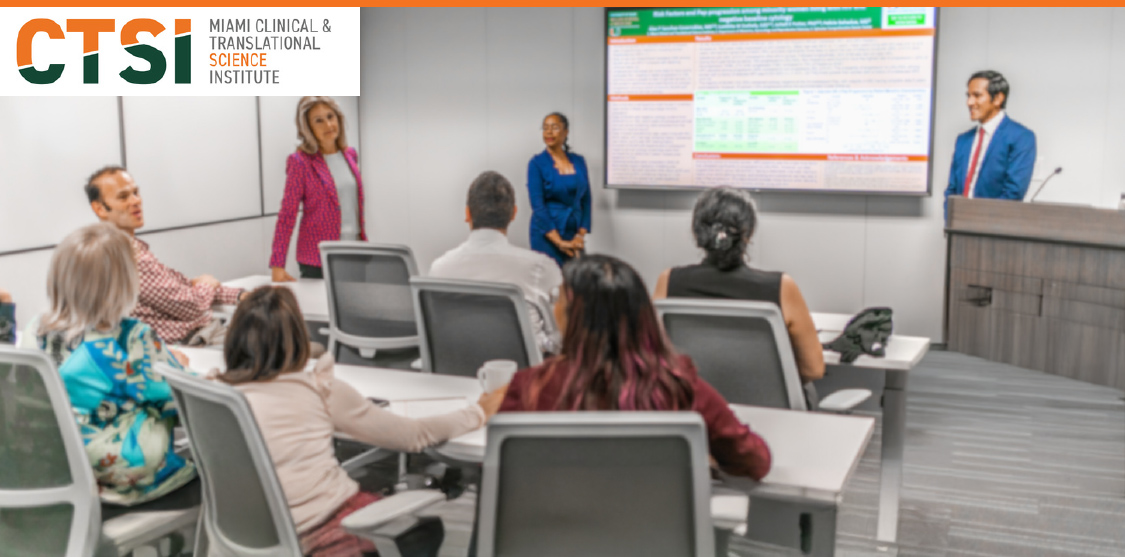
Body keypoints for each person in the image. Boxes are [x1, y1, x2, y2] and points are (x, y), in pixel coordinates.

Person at [218, 286, 504, 556]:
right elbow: (415, 435)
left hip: (244, 538)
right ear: (298, 337)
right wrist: (479, 412)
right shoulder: (320, 389)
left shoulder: (215, 394)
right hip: (319, 537)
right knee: (426, 530)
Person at [499, 254, 771, 481]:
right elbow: (756, 461)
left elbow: (498, 472)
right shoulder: (679, 386)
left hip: (552, 540)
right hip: (658, 542)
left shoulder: (530, 388)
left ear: (571, 316)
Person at [19, 223, 198, 509]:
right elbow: (185, 400)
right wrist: (176, 367)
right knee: (163, 402)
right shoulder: (131, 338)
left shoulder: (34, 330)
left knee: (130, 395)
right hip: (113, 466)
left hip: (49, 461)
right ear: (123, 282)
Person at [654, 187, 825, 383]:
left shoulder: (669, 282)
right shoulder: (781, 287)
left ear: (697, 234)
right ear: (748, 234)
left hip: (696, 405)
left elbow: (650, 354)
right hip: (767, 409)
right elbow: (813, 369)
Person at [86, 165, 245, 346]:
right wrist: (207, 284)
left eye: (136, 192)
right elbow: (193, 306)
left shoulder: (121, 249)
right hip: (190, 343)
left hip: (193, 336)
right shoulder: (127, 259)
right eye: (123, 197)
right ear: (100, 209)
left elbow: (181, 285)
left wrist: (239, 295)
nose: (135, 201)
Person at [430, 171, 564, 354]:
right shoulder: (541, 268)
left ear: (467, 214)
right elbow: (562, 337)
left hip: (456, 377)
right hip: (519, 380)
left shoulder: (439, 270)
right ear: (513, 213)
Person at [270, 96, 366, 281]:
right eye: (318, 121)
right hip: (318, 258)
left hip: (356, 251)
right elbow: (287, 215)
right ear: (308, 128)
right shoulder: (300, 162)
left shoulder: (350, 155)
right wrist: (277, 264)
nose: (328, 125)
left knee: (355, 309)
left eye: (330, 116)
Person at [945, 70, 1037, 202]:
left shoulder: (1021, 137)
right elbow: (951, 190)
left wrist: (981, 221)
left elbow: (1013, 194)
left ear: (998, 99)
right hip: (956, 221)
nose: (969, 102)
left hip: (994, 221)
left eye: (977, 95)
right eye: (968, 96)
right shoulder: (963, 140)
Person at [527, 112, 591, 267]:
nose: (548, 132)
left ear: (566, 132)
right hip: (546, 235)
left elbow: (587, 200)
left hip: (574, 235)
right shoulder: (536, 163)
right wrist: (559, 242)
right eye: (545, 128)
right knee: (549, 284)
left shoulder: (579, 161)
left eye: (554, 127)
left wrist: (580, 236)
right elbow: (538, 206)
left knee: (573, 283)